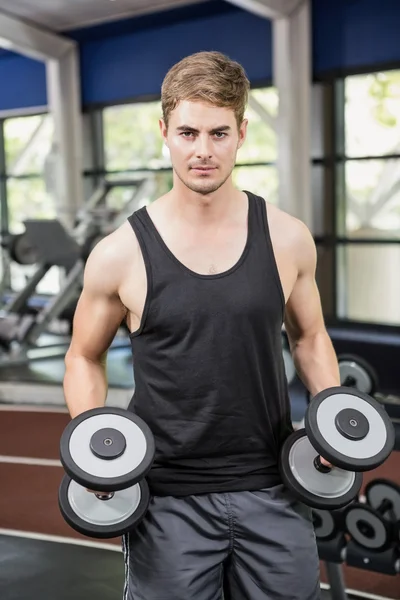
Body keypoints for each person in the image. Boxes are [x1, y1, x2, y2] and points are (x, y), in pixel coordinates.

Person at [63, 51, 341, 600]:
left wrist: (330, 413)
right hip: (166, 497)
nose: (203, 151)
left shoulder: (287, 238)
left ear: (241, 133)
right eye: (188, 132)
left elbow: (309, 337)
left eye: (219, 133)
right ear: (164, 131)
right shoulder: (119, 253)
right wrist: (95, 443)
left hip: (274, 485)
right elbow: (81, 356)